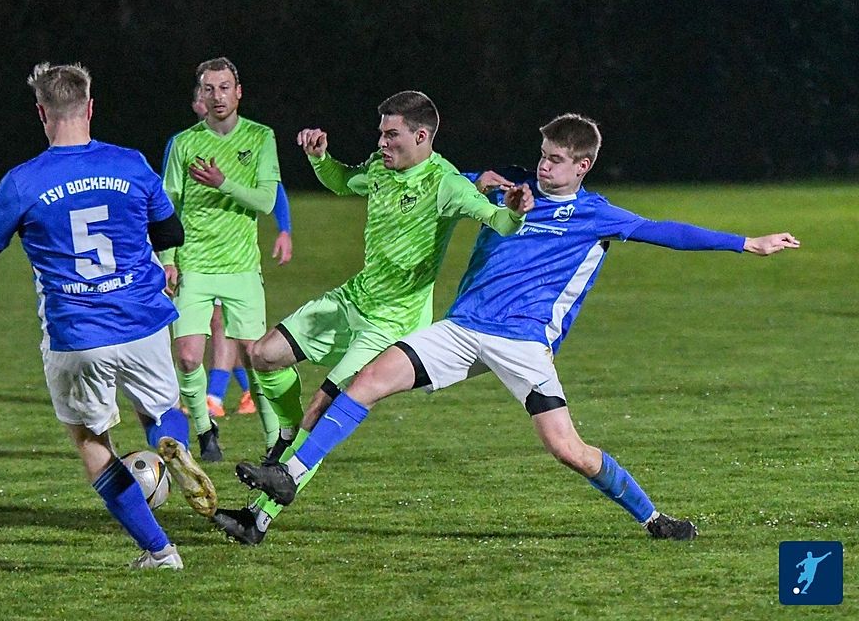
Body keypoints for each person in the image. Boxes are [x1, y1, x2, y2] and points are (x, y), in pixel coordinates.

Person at [222, 113, 800, 544]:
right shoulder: (507, 186)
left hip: (524, 344)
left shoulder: (597, 214)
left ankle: (653, 517)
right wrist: (474, 178)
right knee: (367, 381)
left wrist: (746, 243)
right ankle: (287, 475)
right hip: (463, 328)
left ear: (582, 166)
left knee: (568, 450)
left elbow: (666, 230)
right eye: (543, 155)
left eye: (556, 160)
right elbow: (441, 179)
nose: (544, 165)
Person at [0, 62, 218, 569]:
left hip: (77, 333)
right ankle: (171, 445)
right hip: (142, 320)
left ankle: (160, 551)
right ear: (90, 107)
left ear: (42, 113)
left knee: (91, 441)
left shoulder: (23, 181)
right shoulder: (130, 164)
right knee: (161, 410)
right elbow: (171, 233)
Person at [213, 90, 534, 542]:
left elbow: (496, 221)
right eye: (380, 133)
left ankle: (257, 519)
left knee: (323, 406)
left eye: (391, 134)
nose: (381, 142)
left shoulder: (446, 184)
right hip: (354, 298)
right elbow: (343, 182)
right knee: (264, 354)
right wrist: (320, 159)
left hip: (392, 322)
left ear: (421, 136)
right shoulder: (381, 169)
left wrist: (514, 213)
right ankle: (284, 439)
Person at [160, 56, 290, 463]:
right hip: (194, 264)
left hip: (241, 268)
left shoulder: (261, 137)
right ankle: (205, 431)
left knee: (255, 358)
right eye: (209, 89)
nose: (217, 96)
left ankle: (273, 443)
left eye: (224, 87)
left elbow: (266, 200)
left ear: (238, 92)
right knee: (187, 356)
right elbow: (168, 205)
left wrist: (224, 183)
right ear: (200, 94)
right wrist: (168, 258)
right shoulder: (183, 143)